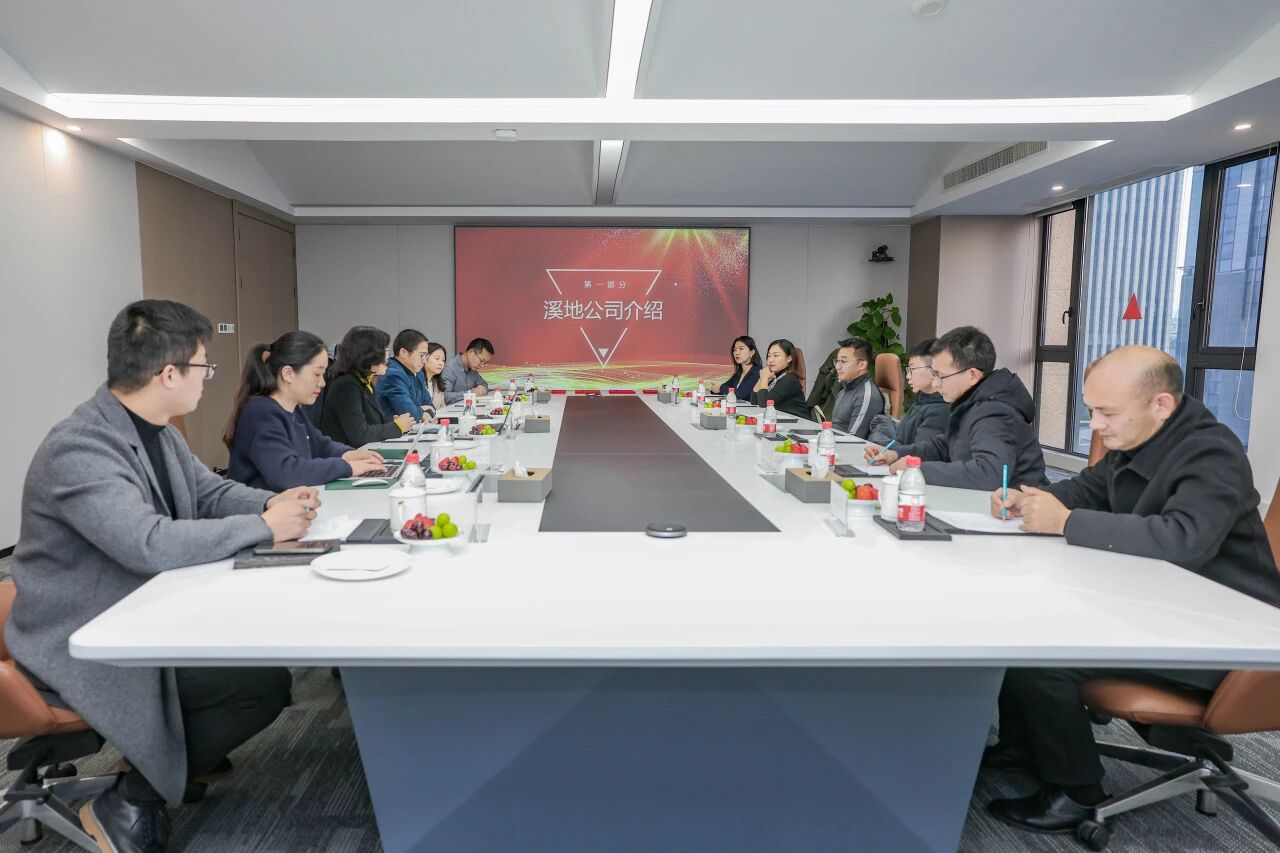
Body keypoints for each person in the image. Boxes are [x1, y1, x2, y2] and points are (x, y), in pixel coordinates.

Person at [4, 300, 318, 851]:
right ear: (169, 373)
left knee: (244, 656)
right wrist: (264, 527)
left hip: (134, 612)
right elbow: (146, 543)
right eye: (203, 366)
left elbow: (210, 492)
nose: (207, 377)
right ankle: (130, 799)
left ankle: (163, 756)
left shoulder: (159, 432)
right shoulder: (79, 447)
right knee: (256, 687)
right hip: (76, 637)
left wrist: (273, 502)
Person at [982, 345, 1280, 835]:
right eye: (1091, 411)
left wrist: (1066, 522)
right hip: (1166, 608)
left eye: (1106, 412)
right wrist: (1030, 500)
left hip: (1231, 638)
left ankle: (1077, 794)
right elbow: (1087, 490)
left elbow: (1182, 541)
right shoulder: (1142, 439)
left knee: (1041, 651)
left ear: (1160, 404)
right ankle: (1024, 748)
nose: (1096, 425)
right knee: (1021, 619)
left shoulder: (1213, 454)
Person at [864, 326, 1047, 490]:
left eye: (940, 376)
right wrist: (897, 454)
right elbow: (945, 445)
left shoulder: (994, 412)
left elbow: (987, 473)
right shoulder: (972, 402)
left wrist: (917, 469)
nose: (935, 384)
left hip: (1017, 509)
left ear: (972, 375)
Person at [225, 330, 387, 491]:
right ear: (288, 374)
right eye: (317, 374)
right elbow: (287, 473)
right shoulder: (261, 413)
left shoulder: (293, 410)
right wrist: (347, 467)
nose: (322, 383)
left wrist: (348, 454)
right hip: (266, 505)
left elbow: (320, 444)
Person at [319, 325, 415, 446]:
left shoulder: (363, 381)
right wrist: (397, 426)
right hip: (346, 454)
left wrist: (392, 422)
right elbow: (360, 435)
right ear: (368, 355)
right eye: (384, 351)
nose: (387, 358)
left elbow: (371, 422)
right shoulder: (346, 386)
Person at [868, 338, 950, 446]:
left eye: (912, 369)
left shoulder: (940, 411)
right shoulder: (922, 402)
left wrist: (882, 446)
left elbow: (918, 452)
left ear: (934, 370)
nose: (908, 376)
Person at [828, 337, 884, 438]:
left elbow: (853, 440)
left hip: (847, 446)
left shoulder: (866, 395)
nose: (837, 367)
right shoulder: (844, 390)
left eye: (843, 362)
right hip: (832, 443)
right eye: (837, 361)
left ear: (862, 364)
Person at [377, 328, 435, 421]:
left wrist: (423, 411)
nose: (424, 361)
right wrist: (422, 411)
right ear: (403, 353)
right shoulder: (392, 374)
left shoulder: (418, 372)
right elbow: (410, 414)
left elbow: (430, 406)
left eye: (426, 356)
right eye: (422, 355)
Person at [751, 338, 809, 419]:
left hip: (799, 424)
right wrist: (762, 378)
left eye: (776, 355)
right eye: (769, 356)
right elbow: (754, 401)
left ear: (789, 358)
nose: (771, 360)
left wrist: (764, 378)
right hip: (782, 422)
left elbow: (764, 404)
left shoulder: (789, 379)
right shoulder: (775, 376)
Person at [441, 337, 494, 404]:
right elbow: (445, 396)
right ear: (471, 353)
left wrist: (481, 389)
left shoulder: (473, 370)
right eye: (482, 361)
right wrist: (470, 393)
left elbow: (484, 384)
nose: (482, 365)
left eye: (485, 363)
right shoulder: (450, 366)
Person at [421, 342, 447, 409]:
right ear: (425, 358)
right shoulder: (417, 381)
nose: (441, 363)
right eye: (437, 358)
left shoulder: (437, 384)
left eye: (443, 360)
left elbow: (443, 408)